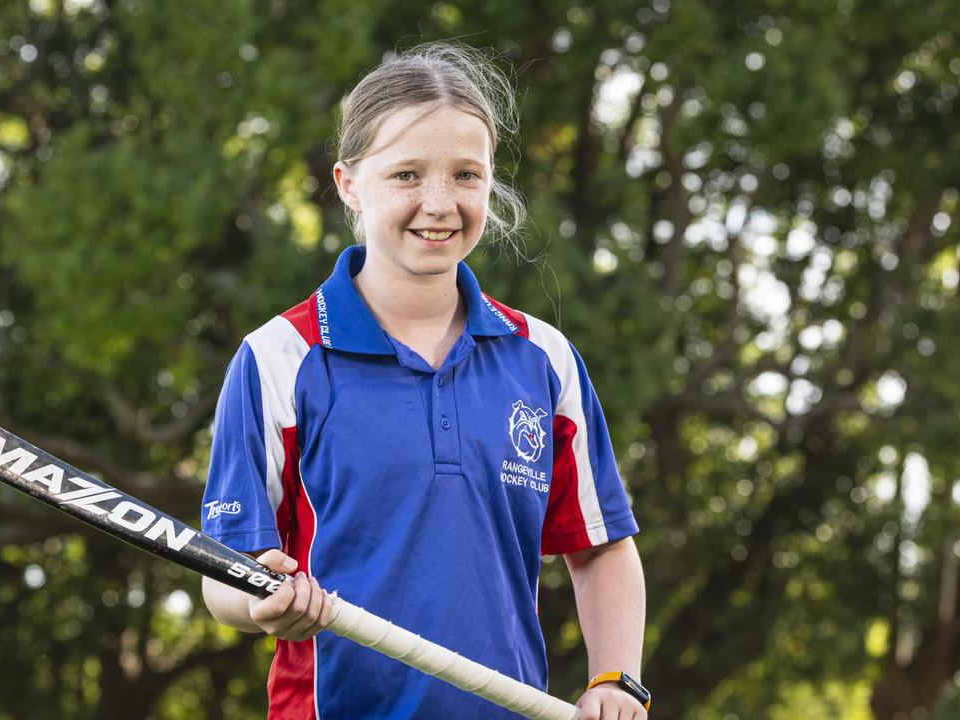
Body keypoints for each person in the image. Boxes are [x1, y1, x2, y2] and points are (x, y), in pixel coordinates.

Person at [200, 42, 648, 720]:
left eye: (466, 175)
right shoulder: (280, 356)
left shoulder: (543, 360)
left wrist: (616, 678)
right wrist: (263, 597)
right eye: (407, 174)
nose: (438, 204)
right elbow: (225, 576)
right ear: (350, 183)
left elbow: (601, 546)